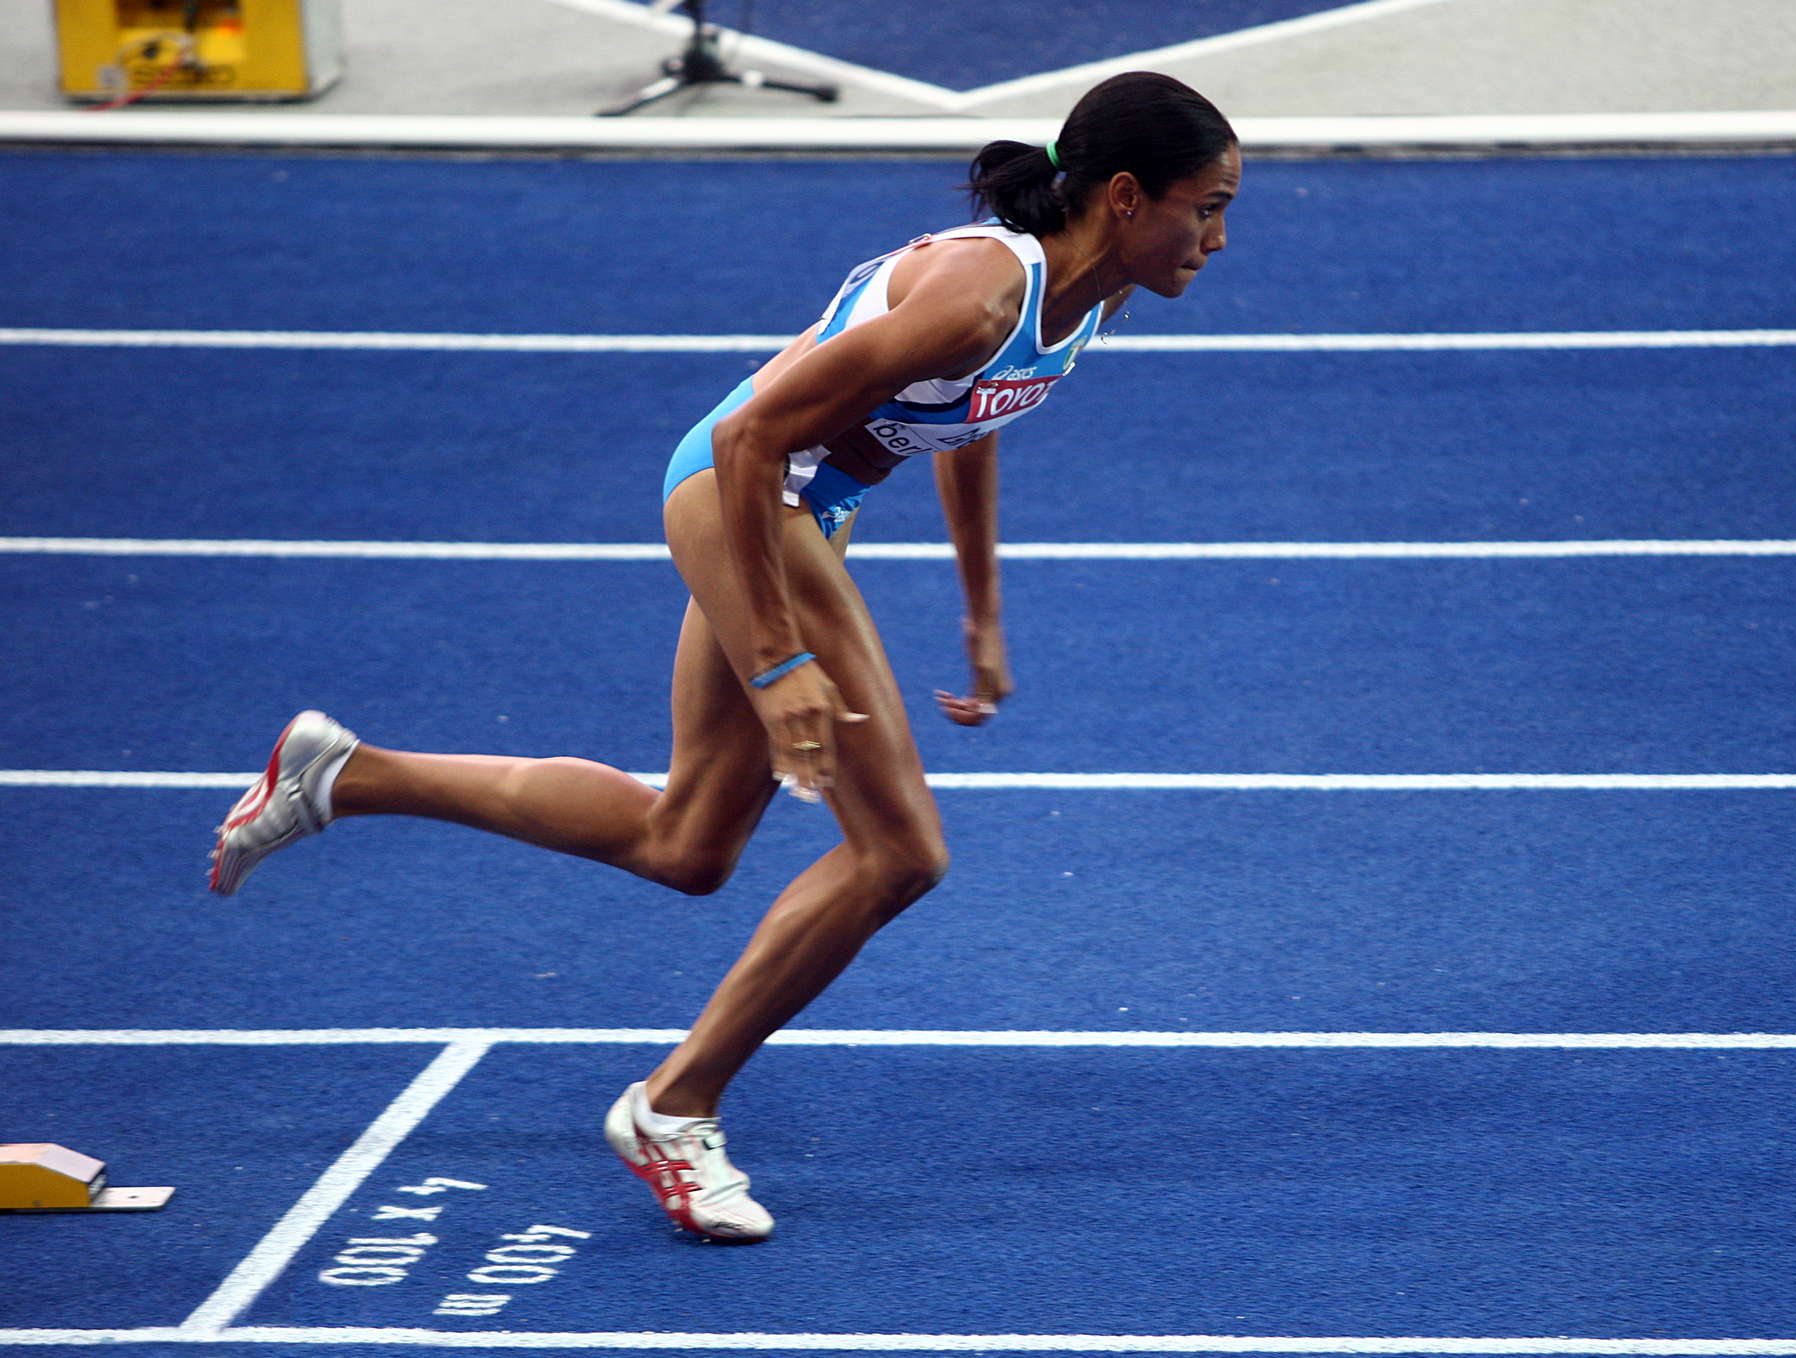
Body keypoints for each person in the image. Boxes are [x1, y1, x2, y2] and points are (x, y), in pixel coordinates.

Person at [207, 70, 1240, 1243]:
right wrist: (775, 658)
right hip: (743, 490)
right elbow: (748, 435)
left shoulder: (1087, 296)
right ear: (1123, 195)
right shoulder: (978, 291)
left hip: (796, 508)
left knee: (687, 842)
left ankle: (342, 774)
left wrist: (981, 610)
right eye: (1205, 208)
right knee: (898, 852)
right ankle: (673, 1104)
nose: (1215, 239)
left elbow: (974, 415)